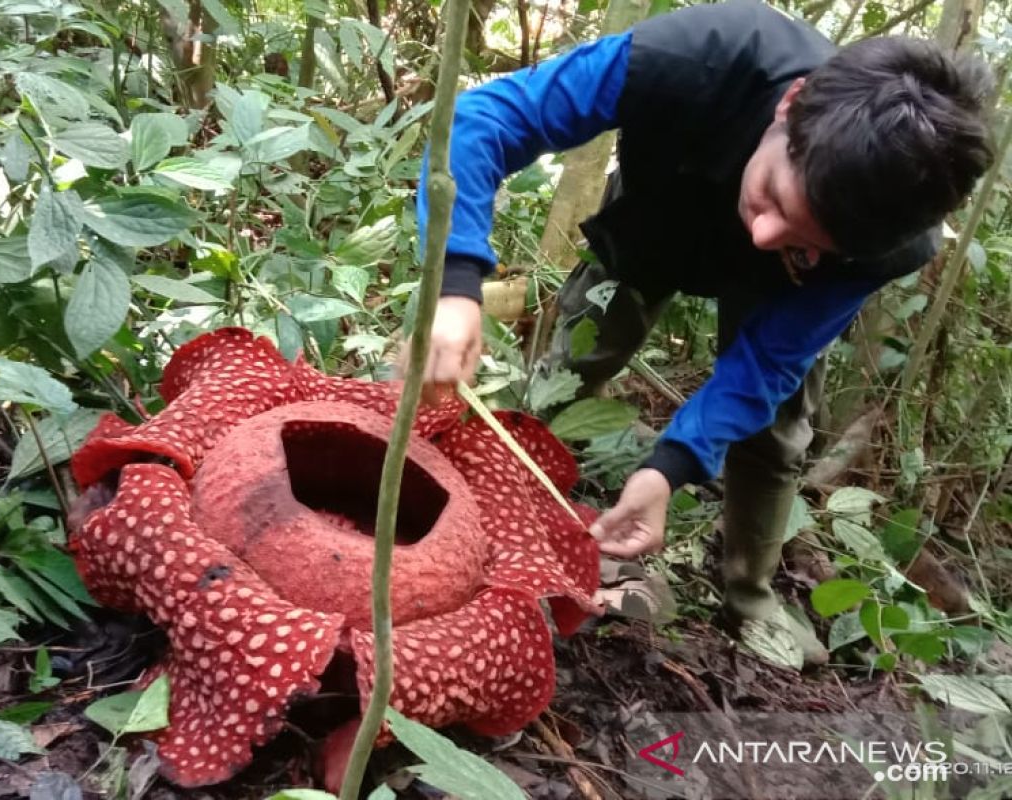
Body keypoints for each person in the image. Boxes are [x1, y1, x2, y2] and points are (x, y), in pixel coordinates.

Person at [411, 0, 993, 663]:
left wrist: (668, 469)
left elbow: (766, 364)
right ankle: (517, 517)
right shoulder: (698, 54)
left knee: (774, 430)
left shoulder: (889, 239)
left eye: (807, 241)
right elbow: (485, 118)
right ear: (789, 107)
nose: (764, 234)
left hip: (782, 289)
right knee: (586, 346)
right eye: (776, 197)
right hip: (659, 216)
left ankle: (750, 593)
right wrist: (455, 285)